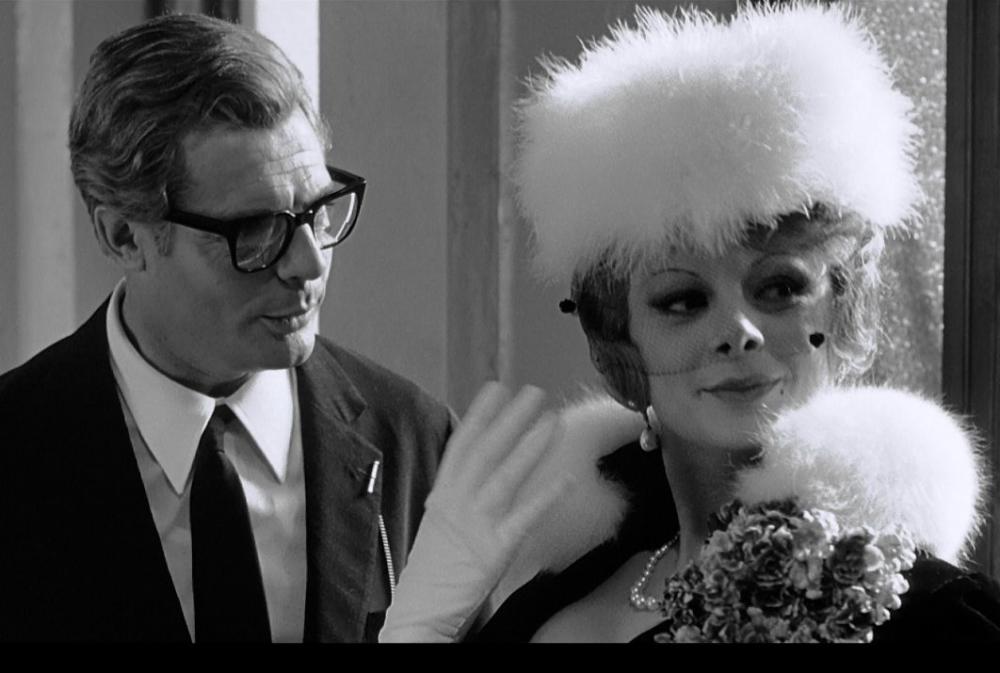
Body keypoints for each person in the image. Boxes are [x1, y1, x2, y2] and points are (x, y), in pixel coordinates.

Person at [379, 3, 1000, 642]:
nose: (739, 330)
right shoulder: (562, 587)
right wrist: (415, 631)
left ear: (840, 308)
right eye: (683, 300)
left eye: (780, 288)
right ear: (620, 339)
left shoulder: (923, 615)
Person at [0, 13, 451, 642]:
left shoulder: (413, 437)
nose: (309, 263)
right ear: (124, 235)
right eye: (255, 231)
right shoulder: (15, 452)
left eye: (319, 211)